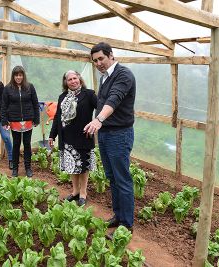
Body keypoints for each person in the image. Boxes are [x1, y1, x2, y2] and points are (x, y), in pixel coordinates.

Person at [84, 42, 136, 231]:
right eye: (95, 60)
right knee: (111, 177)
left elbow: (114, 98)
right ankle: (118, 215)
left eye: (101, 58)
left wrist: (98, 119)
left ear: (111, 55)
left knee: (122, 178)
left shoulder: (123, 75)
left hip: (119, 134)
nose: (98, 63)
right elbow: (102, 101)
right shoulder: (104, 78)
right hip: (106, 133)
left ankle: (126, 224)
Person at [49, 70, 97, 206]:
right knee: (72, 166)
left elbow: (101, 109)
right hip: (67, 138)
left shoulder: (89, 94)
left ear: (79, 79)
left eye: (74, 78)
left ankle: (83, 192)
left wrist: (95, 123)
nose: (73, 81)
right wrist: (52, 135)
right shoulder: (62, 97)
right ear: (66, 82)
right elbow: (58, 117)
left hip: (83, 136)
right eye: (69, 79)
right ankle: (75, 191)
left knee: (83, 166)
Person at [1, 66, 40, 177]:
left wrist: (36, 118)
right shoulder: (8, 88)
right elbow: (4, 106)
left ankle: (28, 168)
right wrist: (4, 121)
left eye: (20, 75)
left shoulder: (30, 87)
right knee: (16, 144)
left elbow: (35, 103)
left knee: (27, 144)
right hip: (14, 121)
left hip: (28, 120)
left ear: (23, 76)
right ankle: (15, 169)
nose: (18, 77)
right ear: (13, 76)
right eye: (16, 75)